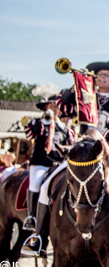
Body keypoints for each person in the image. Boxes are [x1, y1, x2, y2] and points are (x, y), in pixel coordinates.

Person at [21, 94, 72, 255]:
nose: (54, 108)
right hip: (42, 163)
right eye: (51, 106)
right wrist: (44, 121)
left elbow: (69, 144)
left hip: (59, 163)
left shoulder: (64, 127)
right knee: (38, 185)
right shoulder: (39, 122)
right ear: (45, 108)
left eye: (56, 105)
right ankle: (32, 220)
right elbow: (30, 134)